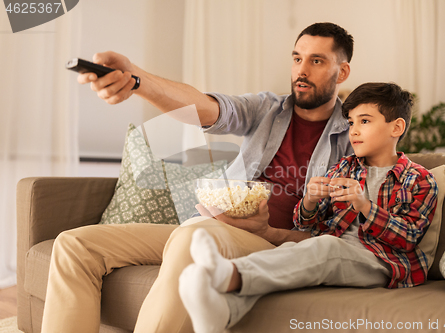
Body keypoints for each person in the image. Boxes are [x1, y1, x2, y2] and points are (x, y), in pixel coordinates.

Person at [41, 22, 354, 333]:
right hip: (207, 227)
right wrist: (136, 80)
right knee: (75, 244)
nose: (302, 70)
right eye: (297, 58)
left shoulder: (356, 137)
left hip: (272, 246)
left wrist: (270, 232)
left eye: (316, 61)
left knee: (193, 241)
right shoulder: (268, 109)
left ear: (341, 73)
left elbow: (345, 241)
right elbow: (204, 108)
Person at [179, 82, 439, 333]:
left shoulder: (419, 179)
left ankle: (230, 273)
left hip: (383, 261)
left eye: (365, 121)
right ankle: (223, 312)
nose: (354, 130)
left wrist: (365, 206)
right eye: (350, 122)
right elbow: (306, 226)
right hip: (334, 247)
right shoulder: (345, 168)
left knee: (324, 248)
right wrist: (309, 201)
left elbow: (409, 237)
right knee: (296, 252)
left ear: (397, 127)